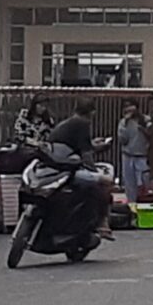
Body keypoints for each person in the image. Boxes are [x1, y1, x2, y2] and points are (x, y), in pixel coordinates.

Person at [47, 98, 111, 239]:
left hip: (55, 169)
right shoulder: (82, 124)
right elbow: (86, 154)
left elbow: (81, 146)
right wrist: (94, 172)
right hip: (68, 170)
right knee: (101, 186)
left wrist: (94, 144)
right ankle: (102, 223)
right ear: (92, 113)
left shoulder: (65, 124)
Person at [115, 98, 149, 201]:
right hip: (128, 156)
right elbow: (122, 139)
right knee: (130, 185)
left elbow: (151, 136)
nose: (128, 108)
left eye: (131, 105)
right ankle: (131, 206)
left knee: (144, 184)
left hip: (143, 156)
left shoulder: (146, 120)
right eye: (125, 106)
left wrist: (143, 128)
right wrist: (125, 122)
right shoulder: (123, 123)